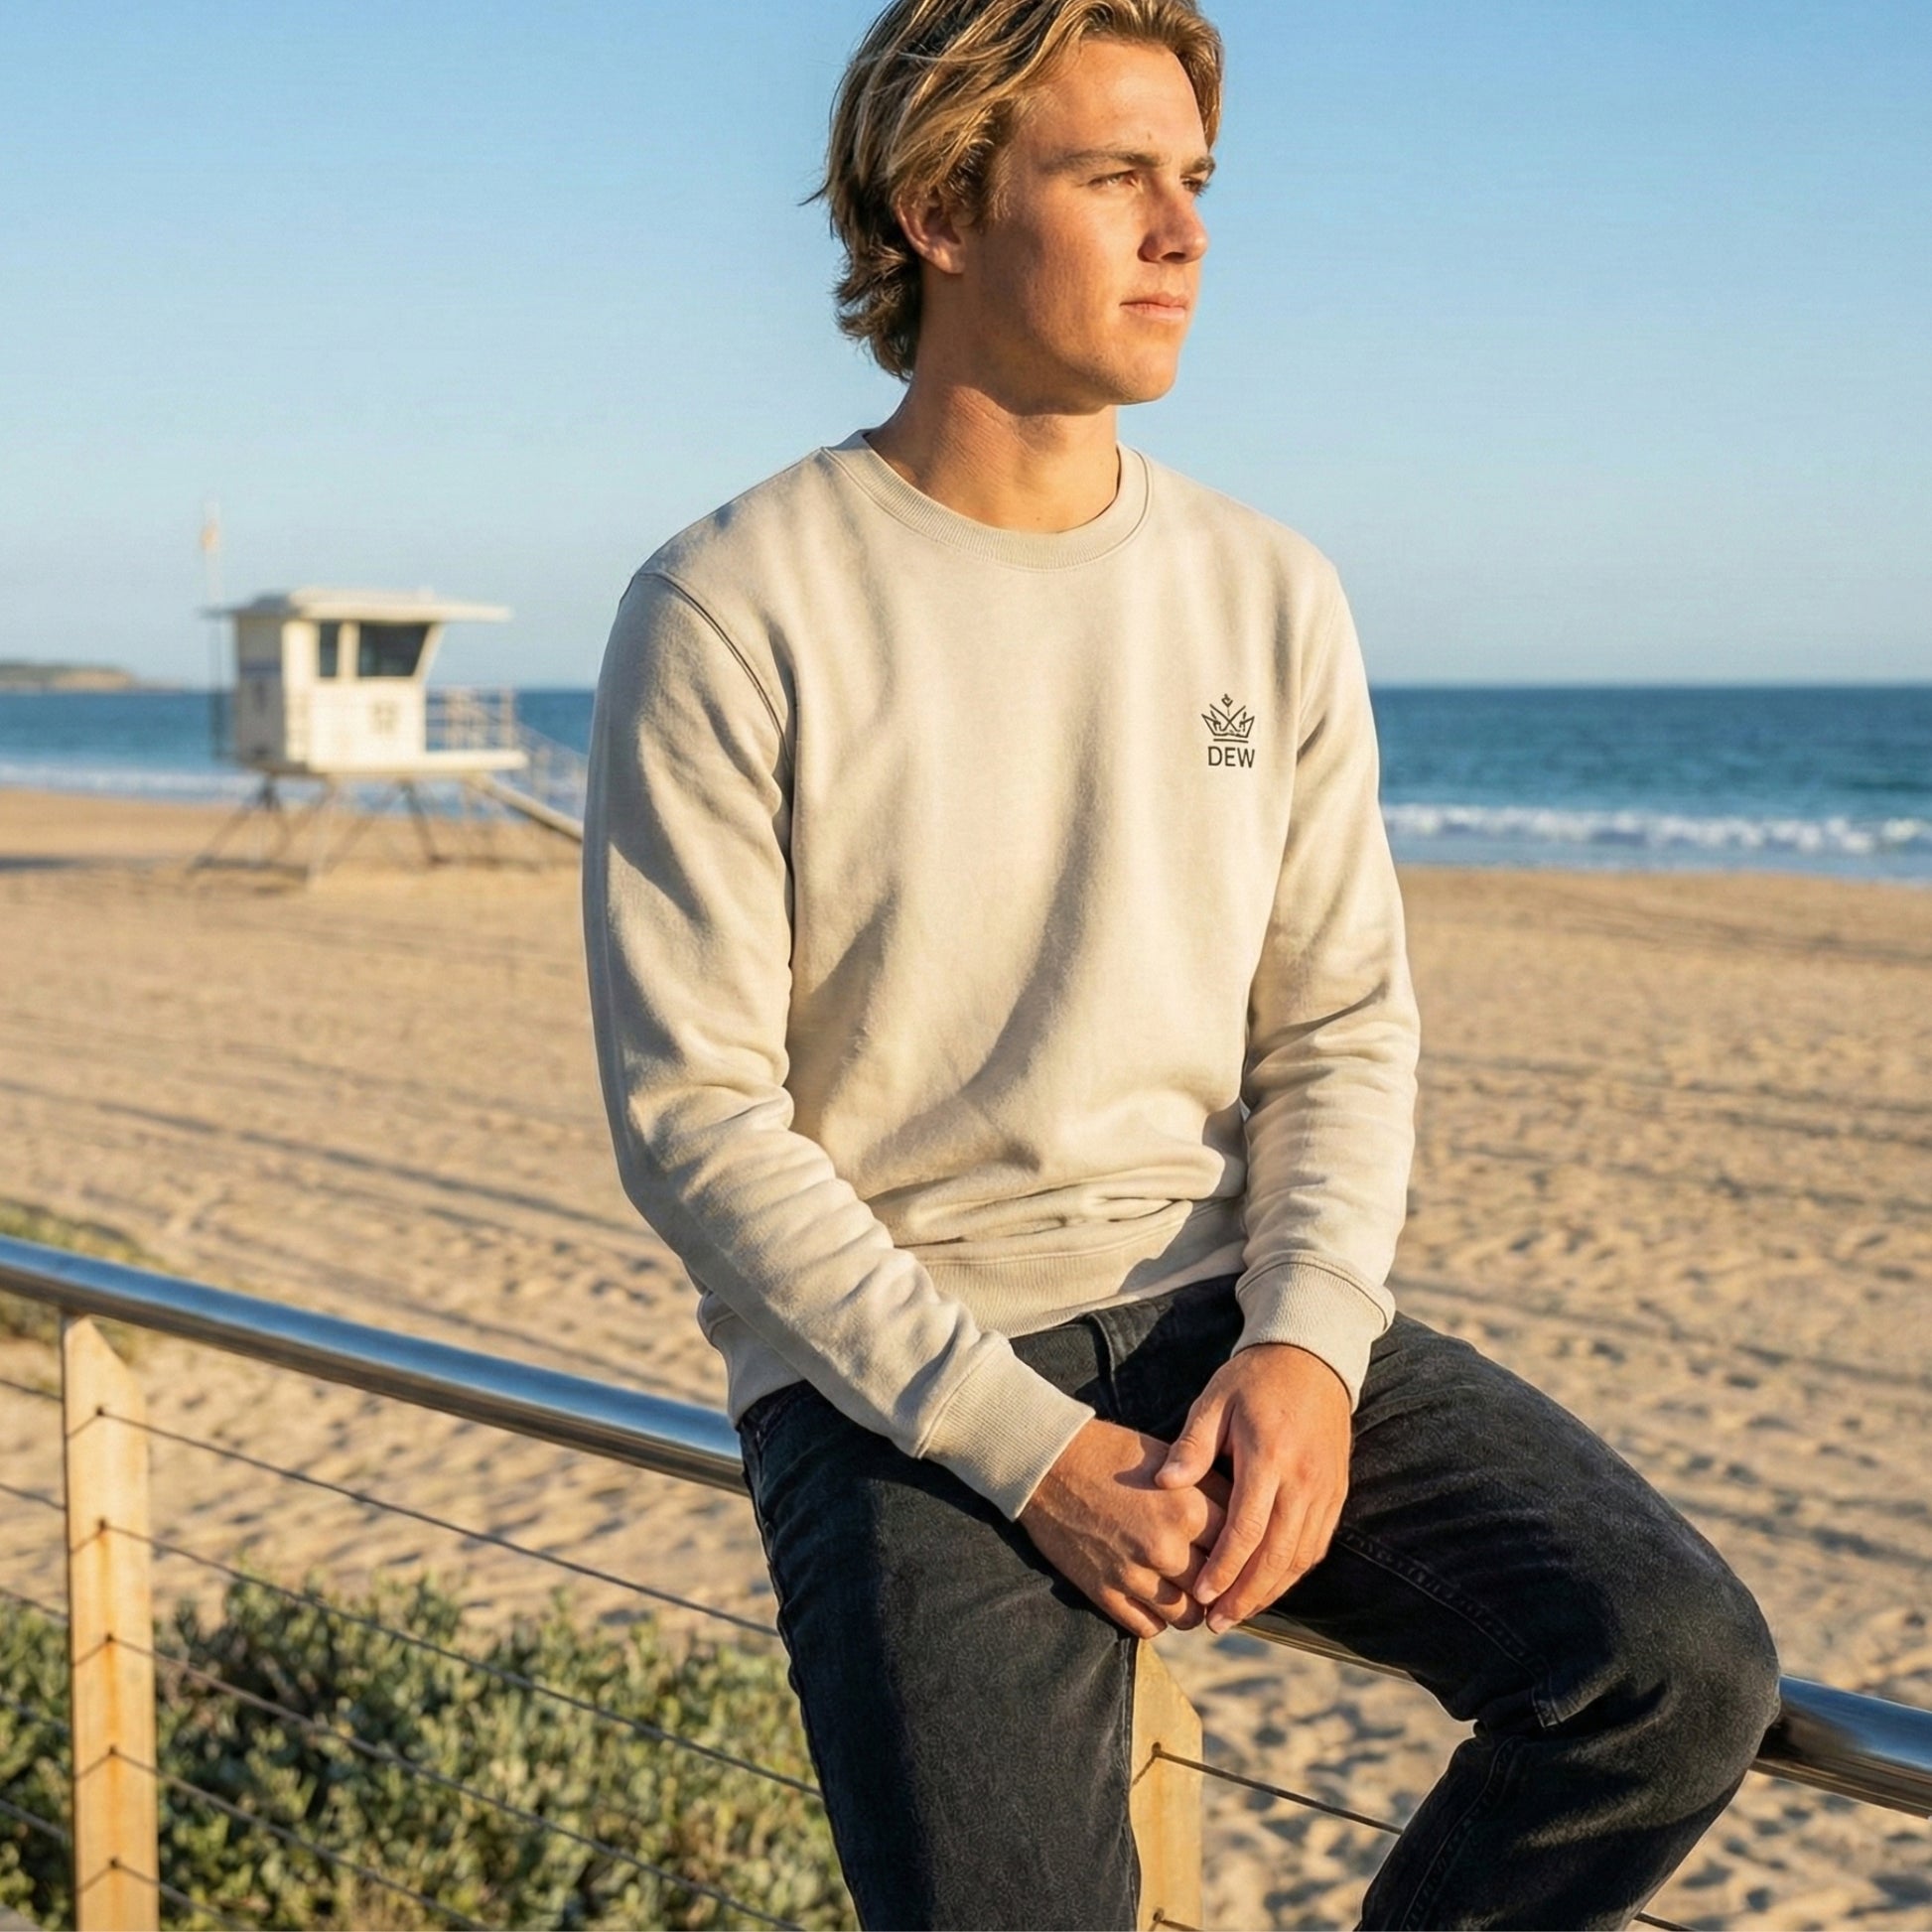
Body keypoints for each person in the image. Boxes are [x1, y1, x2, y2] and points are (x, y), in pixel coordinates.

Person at [581, 2, 1781, 1924]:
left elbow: (1341, 1024)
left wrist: (1307, 1341)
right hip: (902, 1377)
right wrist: (1029, 1451)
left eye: (1196, 179)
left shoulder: (1267, 590)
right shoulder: (733, 605)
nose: (1184, 231)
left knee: (1670, 1670)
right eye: (1114, 177)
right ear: (939, 210)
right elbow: (694, 1121)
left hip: (1225, 1309)